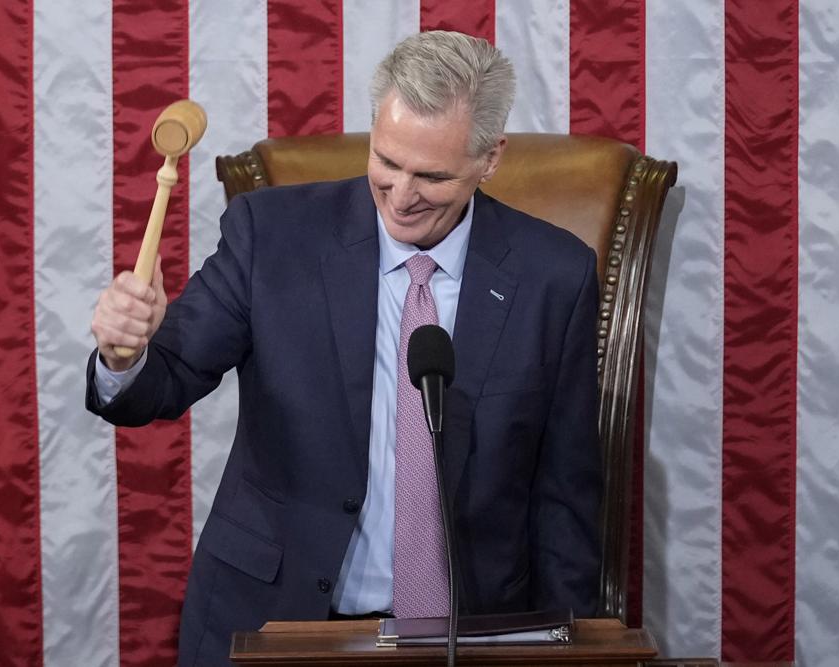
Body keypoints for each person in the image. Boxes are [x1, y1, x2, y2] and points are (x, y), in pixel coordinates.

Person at [87, 31, 601, 667]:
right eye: (387, 161)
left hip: (465, 636)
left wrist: (572, 648)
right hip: (275, 621)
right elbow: (163, 380)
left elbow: (565, 497)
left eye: (433, 175)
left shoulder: (556, 276)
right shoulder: (272, 235)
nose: (402, 195)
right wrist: (123, 354)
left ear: (489, 158)